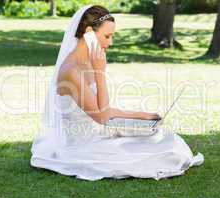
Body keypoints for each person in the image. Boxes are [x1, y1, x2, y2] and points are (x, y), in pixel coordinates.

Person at [30, 5, 204, 181]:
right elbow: (102, 117)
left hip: (99, 133)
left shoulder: (88, 61)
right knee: (164, 151)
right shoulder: (71, 71)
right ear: (89, 32)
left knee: (163, 137)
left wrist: (143, 116)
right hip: (84, 146)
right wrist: (100, 73)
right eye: (107, 36)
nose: (110, 42)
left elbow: (102, 109)